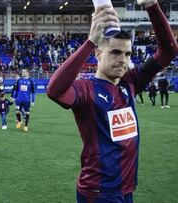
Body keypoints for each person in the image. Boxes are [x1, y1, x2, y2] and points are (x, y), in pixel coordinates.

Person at [46, 0, 177, 201]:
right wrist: (91, 41)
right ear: (98, 54)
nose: (123, 60)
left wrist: (152, 6)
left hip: (126, 189)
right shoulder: (85, 89)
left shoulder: (130, 82)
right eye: (115, 52)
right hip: (98, 193)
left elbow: (168, 51)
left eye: (127, 54)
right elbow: (54, 90)